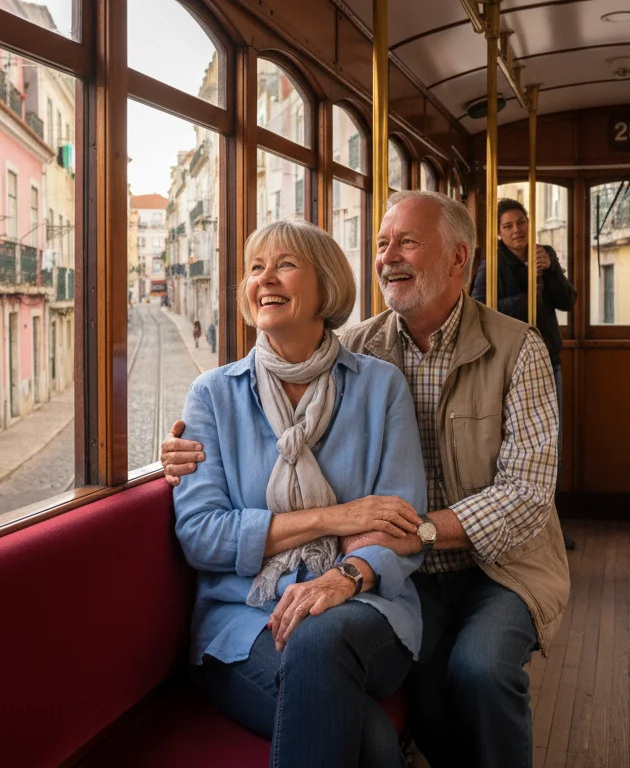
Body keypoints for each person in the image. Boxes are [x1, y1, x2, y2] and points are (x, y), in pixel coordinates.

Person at [165, 191, 570, 768]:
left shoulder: (511, 350)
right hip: (395, 573)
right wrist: (180, 451)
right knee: (411, 708)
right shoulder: (354, 352)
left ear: (460, 259)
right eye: (381, 245)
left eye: (406, 242)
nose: (388, 258)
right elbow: (209, 516)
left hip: (493, 564)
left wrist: (396, 543)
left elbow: (526, 494)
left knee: (479, 671)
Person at [172, 220, 432, 768]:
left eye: (284, 264)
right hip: (242, 623)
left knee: (319, 638)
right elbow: (201, 534)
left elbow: (402, 528)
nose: (265, 278)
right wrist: (338, 518)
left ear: (327, 286)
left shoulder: (380, 387)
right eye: (254, 268)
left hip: (366, 606)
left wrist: (346, 576)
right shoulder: (212, 396)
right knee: (370, 739)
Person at [472, 198, 578, 549]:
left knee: (552, 445)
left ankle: (550, 526)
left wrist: (552, 273)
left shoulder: (544, 254)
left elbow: (567, 301)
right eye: (508, 226)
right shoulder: (492, 263)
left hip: (548, 359)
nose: (517, 231)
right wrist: (527, 292)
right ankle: (518, 528)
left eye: (521, 222)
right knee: (515, 447)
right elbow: (481, 309)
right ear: (499, 233)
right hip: (507, 363)